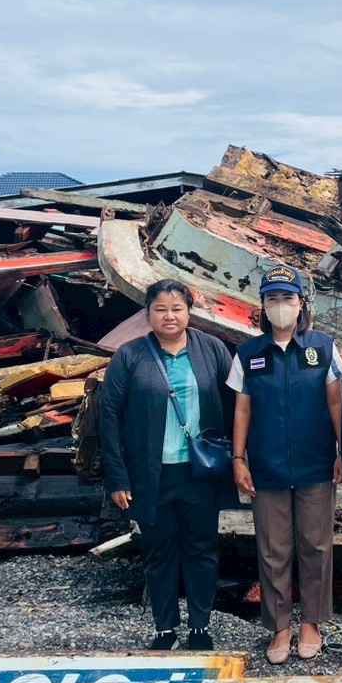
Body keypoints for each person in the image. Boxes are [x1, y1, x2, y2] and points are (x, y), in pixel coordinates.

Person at [100, 279, 236, 651]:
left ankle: (200, 627)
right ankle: (164, 628)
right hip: (151, 475)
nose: (169, 316)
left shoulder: (212, 349)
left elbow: (238, 406)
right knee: (159, 552)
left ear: (189, 312)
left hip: (200, 473)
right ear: (148, 314)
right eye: (161, 309)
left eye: (177, 308)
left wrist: (240, 459)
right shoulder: (129, 356)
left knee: (202, 549)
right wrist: (118, 477)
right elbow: (109, 417)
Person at [227, 265, 342, 665]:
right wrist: (238, 458)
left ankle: (311, 621)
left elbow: (336, 402)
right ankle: (280, 626)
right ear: (262, 305)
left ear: (301, 304)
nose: (280, 307)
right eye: (272, 299)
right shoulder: (248, 353)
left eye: (287, 299)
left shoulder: (324, 348)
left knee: (315, 545)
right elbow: (242, 410)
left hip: (316, 463)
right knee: (274, 549)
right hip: (267, 466)